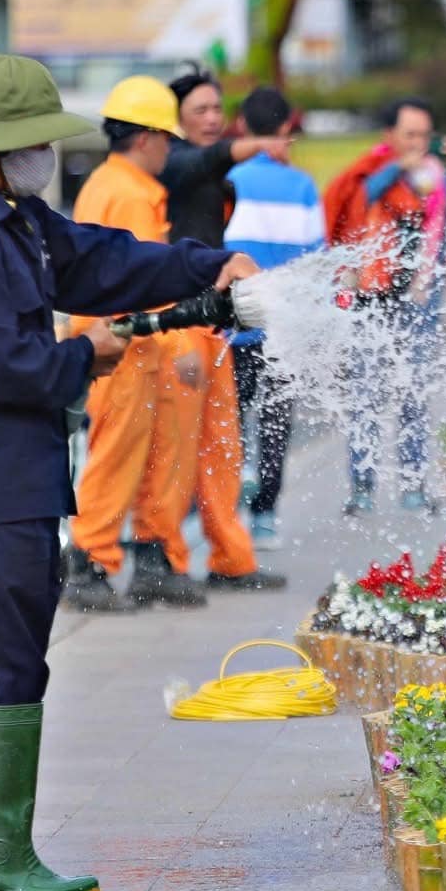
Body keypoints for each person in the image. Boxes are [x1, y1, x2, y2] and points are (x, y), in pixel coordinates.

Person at [0, 54, 256, 891]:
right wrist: (88, 353)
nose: (46, 153)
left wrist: (205, 266)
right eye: (36, 141)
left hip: (2, 471)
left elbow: (96, 260)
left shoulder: (6, 216)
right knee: (2, 654)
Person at [61, 75, 222, 611]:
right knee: (115, 460)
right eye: (167, 139)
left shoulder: (111, 184)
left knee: (133, 457)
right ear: (148, 137)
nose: (170, 149)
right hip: (123, 348)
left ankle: (134, 559)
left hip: (118, 344)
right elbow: (140, 280)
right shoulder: (129, 193)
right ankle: (90, 562)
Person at [144, 70, 283, 591]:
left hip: (211, 325)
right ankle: (164, 560)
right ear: (173, 121)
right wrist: (255, 145)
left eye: (216, 109)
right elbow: (200, 161)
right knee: (174, 451)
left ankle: (231, 558)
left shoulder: (210, 177)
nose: (211, 119)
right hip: (175, 323)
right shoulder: (173, 167)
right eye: (199, 110)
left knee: (223, 446)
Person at [323, 97, 446, 514]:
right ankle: (361, 488)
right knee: (366, 396)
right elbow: (358, 201)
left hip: (415, 300)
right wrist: (400, 167)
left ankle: (413, 487)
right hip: (370, 302)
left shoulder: (432, 176)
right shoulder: (371, 170)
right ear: (389, 136)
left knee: (414, 395)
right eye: (409, 134)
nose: (417, 143)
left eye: (423, 135)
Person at [223, 88, 320, 552]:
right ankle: (265, 517)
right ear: (286, 128)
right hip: (284, 330)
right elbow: (315, 262)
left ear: (240, 126)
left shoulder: (228, 178)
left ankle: (226, 512)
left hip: (233, 325)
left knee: (232, 420)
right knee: (277, 422)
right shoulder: (302, 187)